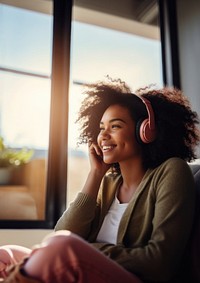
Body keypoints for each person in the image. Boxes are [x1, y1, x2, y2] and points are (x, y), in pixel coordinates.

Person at [0, 78, 199, 283]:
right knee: (6, 255)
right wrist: (95, 174)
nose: (103, 135)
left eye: (115, 126)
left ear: (145, 131)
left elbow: (159, 262)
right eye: (101, 127)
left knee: (60, 249)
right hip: (86, 269)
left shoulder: (171, 170)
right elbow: (62, 233)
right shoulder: (108, 183)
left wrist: (89, 249)